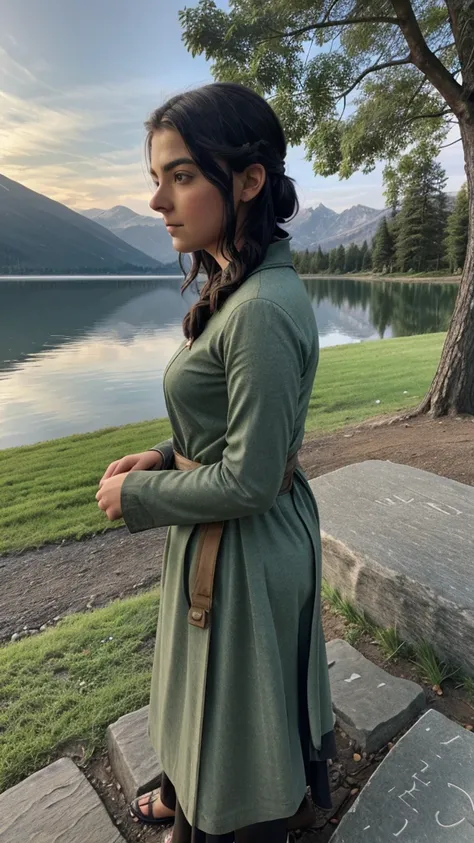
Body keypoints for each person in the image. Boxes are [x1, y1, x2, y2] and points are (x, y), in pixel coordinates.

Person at [96, 82, 336, 843]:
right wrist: (166, 453)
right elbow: (235, 429)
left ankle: (222, 818)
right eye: (157, 179)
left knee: (232, 711)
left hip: (244, 542)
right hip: (228, 534)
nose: (160, 201)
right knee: (213, 696)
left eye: (182, 176)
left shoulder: (260, 309)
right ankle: (186, 791)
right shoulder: (241, 284)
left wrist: (141, 496)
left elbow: (251, 478)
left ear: (249, 179)